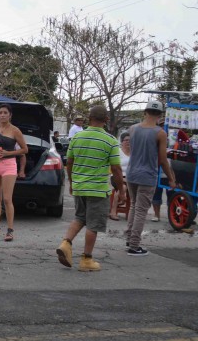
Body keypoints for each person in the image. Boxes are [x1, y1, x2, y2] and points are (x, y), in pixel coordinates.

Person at [56, 105, 123, 272]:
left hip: (79, 186)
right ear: (106, 120)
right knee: (93, 225)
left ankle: (66, 243)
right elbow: (116, 169)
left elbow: (69, 163)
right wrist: (121, 189)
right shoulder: (111, 141)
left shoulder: (77, 137)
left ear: (89, 118)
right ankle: (86, 259)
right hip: (98, 189)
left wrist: (72, 183)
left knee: (80, 217)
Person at [124, 101, 178, 256]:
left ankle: (129, 238)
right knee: (141, 210)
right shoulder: (160, 133)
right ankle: (134, 246)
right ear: (160, 115)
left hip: (132, 173)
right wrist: (171, 178)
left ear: (145, 112)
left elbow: (133, 151)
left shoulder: (133, 129)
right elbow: (162, 159)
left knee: (134, 206)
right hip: (147, 175)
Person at [0, 103, 28, 242]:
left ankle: (10, 230)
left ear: (10, 115)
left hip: (9, 165)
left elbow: (25, 150)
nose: (2, 115)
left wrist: (9, 152)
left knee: (7, 199)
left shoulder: (15, 130)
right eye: (0, 112)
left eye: (5, 113)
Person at [108, 132, 131, 221]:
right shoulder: (118, 152)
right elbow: (115, 168)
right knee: (123, 187)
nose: (128, 142)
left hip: (130, 178)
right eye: (126, 140)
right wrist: (123, 178)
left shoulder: (134, 153)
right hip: (117, 177)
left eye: (130, 140)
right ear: (121, 142)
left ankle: (132, 211)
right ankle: (113, 212)